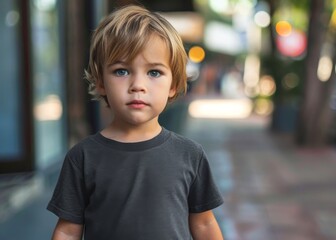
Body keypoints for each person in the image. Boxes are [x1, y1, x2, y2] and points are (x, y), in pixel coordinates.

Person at [47, 4, 224, 240]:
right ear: (100, 82)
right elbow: (68, 230)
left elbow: (203, 224)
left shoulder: (190, 155)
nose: (137, 85)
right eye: (121, 71)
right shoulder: (82, 157)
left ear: (173, 85)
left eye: (154, 73)